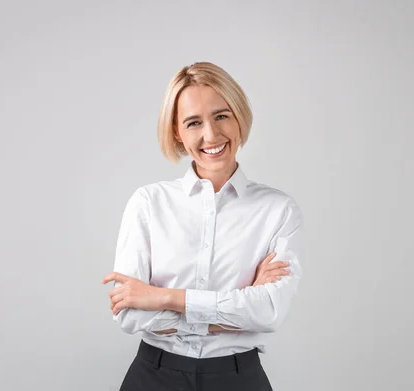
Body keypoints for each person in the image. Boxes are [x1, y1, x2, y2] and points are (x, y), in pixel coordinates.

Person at [102, 61, 304, 391]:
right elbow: (130, 315)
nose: (211, 135)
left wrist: (162, 297)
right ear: (177, 133)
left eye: (221, 115)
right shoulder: (149, 203)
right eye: (194, 122)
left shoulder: (277, 210)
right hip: (154, 376)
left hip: (239, 379)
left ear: (239, 117)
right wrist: (235, 312)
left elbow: (269, 312)